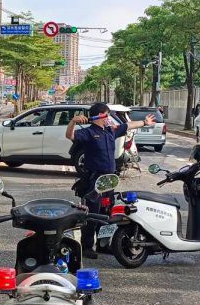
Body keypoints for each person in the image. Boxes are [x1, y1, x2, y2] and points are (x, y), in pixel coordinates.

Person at [66, 102, 155, 259]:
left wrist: (144, 123)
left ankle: (102, 244)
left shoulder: (109, 131)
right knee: (92, 213)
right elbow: (70, 136)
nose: (109, 119)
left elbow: (128, 125)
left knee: (107, 212)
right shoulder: (88, 132)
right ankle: (87, 246)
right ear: (100, 116)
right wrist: (73, 122)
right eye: (107, 115)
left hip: (109, 180)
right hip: (94, 179)